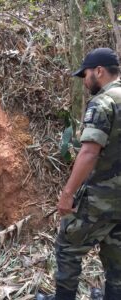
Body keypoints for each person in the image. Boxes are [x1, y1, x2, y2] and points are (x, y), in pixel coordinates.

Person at [37, 48, 121, 300]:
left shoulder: (104, 102)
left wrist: (67, 193)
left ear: (99, 71)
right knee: (117, 254)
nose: (84, 82)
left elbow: (89, 152)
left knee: (67, 246)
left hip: (101, 198)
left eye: (85, 75)